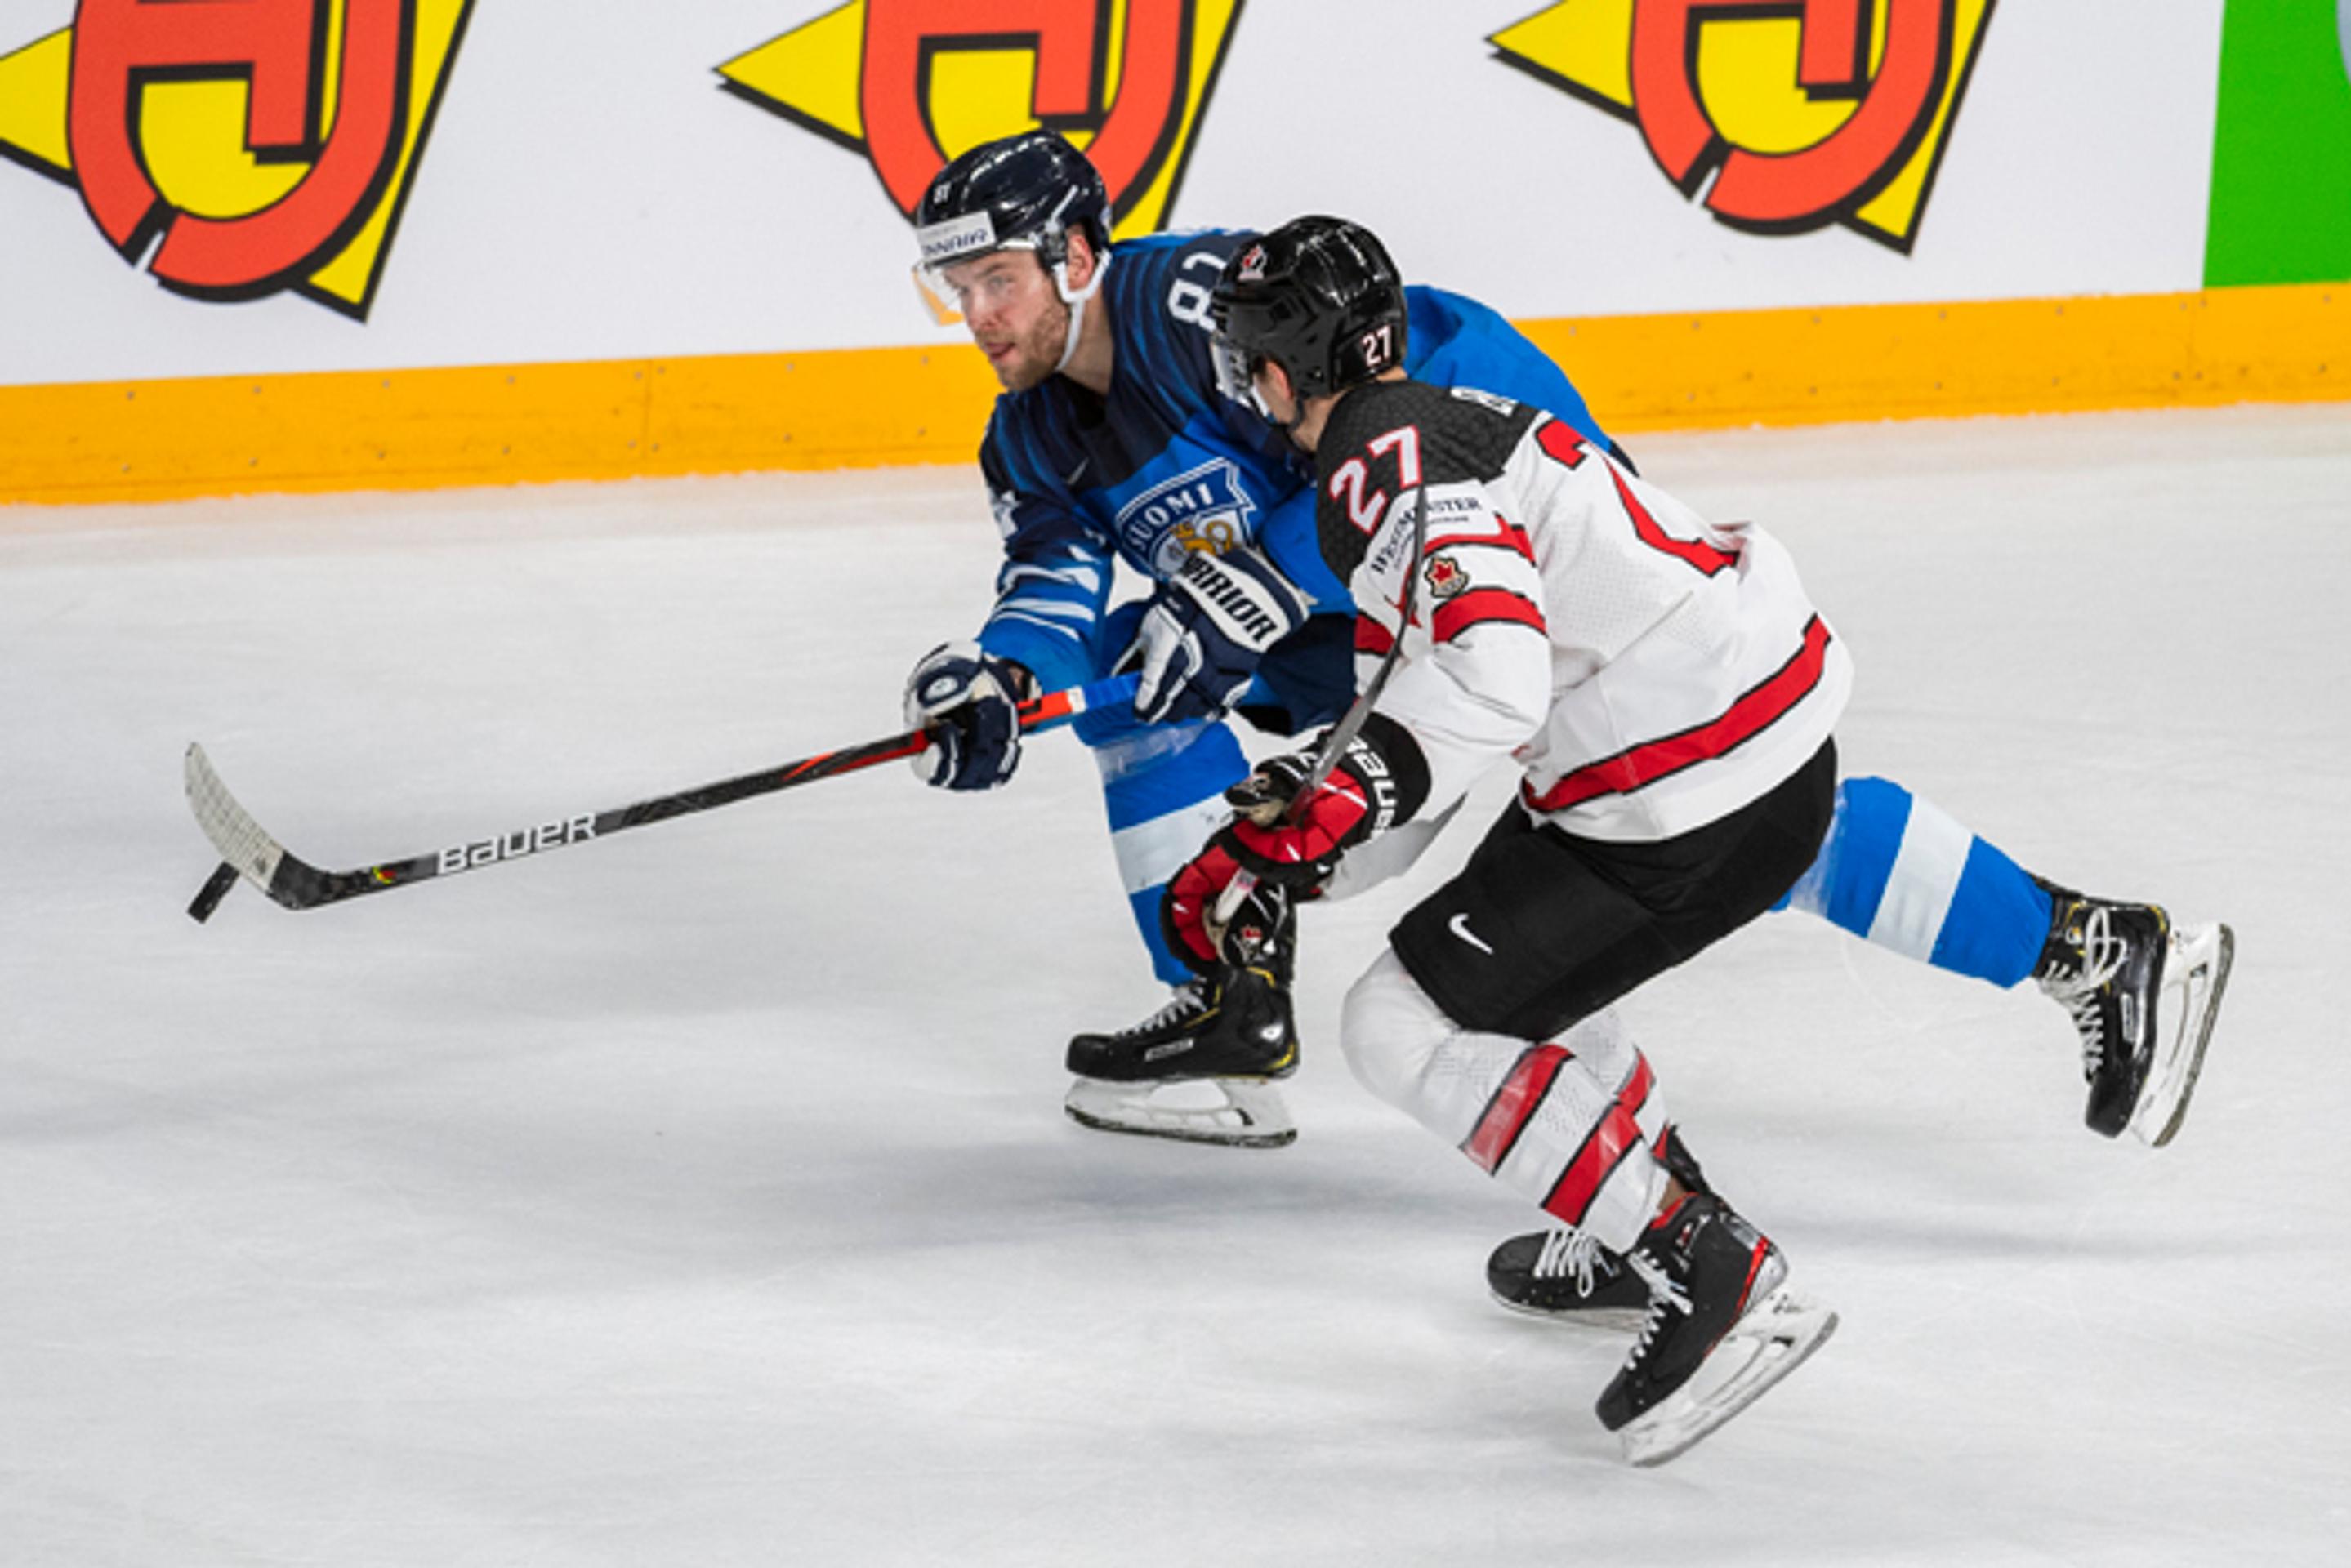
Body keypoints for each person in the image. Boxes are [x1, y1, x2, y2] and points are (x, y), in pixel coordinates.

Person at [899, 132, 2237, 1214]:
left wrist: (1263, 579)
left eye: (994, 280)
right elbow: (1055, 589)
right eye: (951, 289)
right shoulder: (1027, 439)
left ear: (1077, 253)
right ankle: (1230, 1006)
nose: (974, 315)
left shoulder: (1196, 302)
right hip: (1364, 631)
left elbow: (1406, 402)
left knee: (1686, 821)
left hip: (1499, 561)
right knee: (1139, 702)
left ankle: (2083, 947)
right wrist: (997, 679)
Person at [1152, 214, 1864, 1463]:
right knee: (1513, 976)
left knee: (1397, 1027)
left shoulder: (1371, 462)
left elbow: (1492, 682)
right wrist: (1299, 851)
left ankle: (1703, 1265)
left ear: (1277, 370)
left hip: (1685, 783)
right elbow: (1412, 742)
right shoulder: (1428, 417)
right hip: (1735, 754)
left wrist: (1339, 800)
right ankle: (1644, 1217)